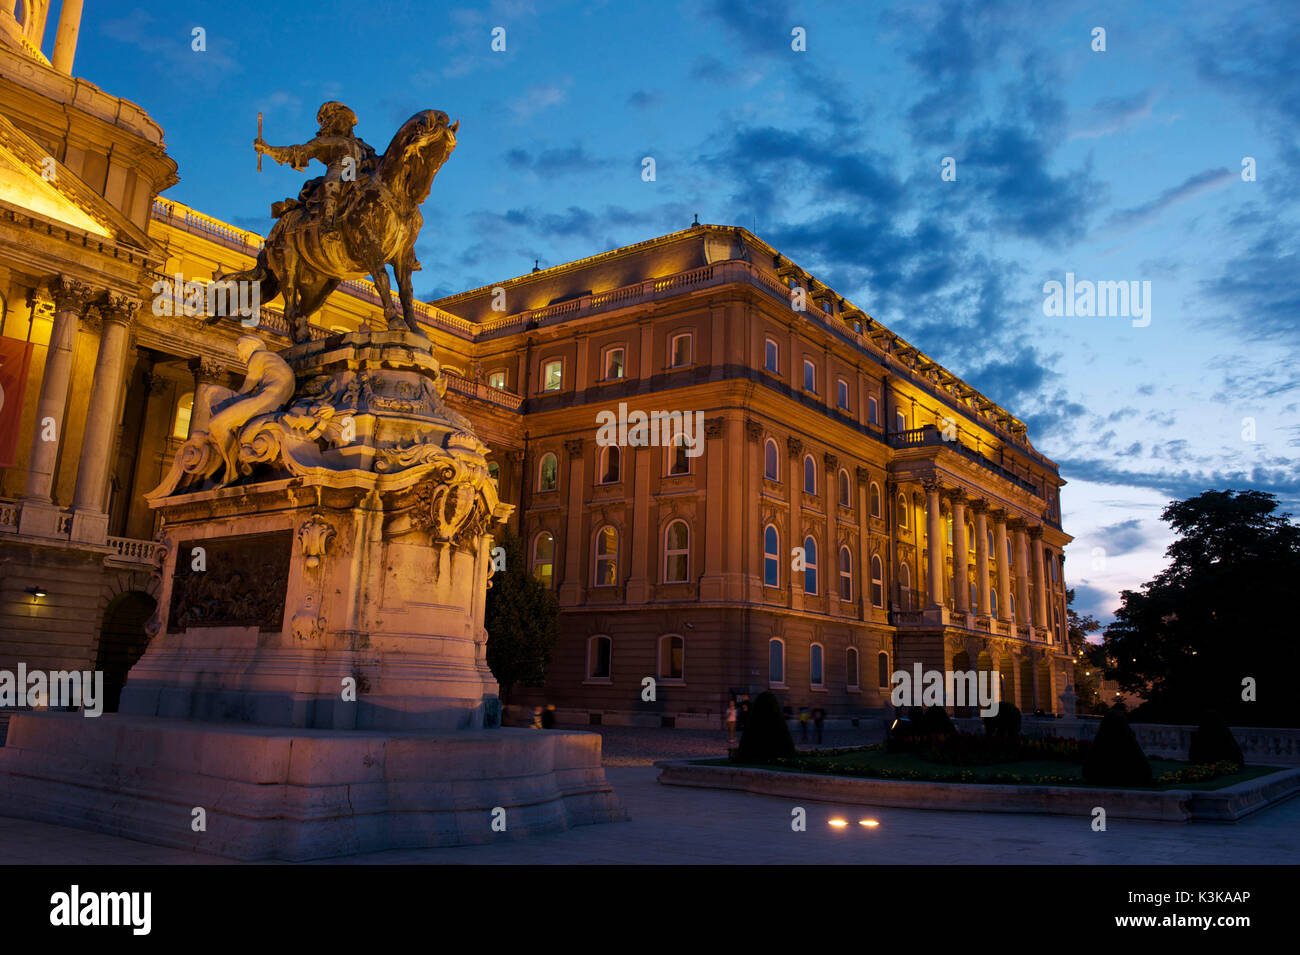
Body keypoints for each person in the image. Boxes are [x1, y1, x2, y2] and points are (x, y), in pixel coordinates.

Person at [255, 101, 380, 235]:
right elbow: (297, 152)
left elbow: (378, 161)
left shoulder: (363, 145)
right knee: (332, 184)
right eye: (339, 118)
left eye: (346, 119)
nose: (343, 122)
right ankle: (327, 225)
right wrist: (268, 149)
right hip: (339, 171)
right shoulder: (325, 141)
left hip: (360, 174)